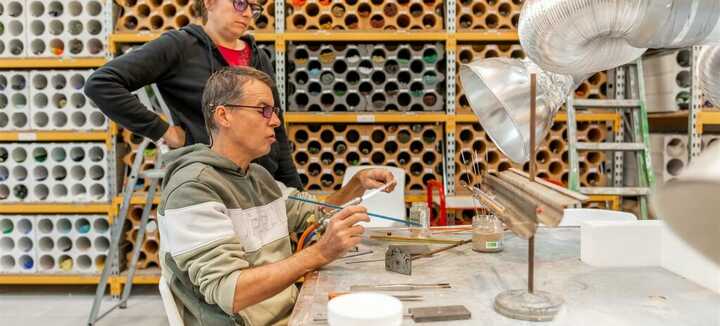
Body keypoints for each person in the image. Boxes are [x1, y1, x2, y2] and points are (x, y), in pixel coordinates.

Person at [157, 67, 396, 326]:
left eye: (274, 112)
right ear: (224, 115)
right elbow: (231, 292)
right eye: (263, 110)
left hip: (292, 313)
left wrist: (356, 184)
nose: (275, 122)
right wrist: (320, 253)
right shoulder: (193, 190)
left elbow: (315, 212)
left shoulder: (257, 177)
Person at [84, 0, 302, 188]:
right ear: (208, 2)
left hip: (261, 181)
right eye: (240, 3)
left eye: (254, 8)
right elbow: (101, 84)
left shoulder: (259, 57)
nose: (246, 13)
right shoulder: (180, 46)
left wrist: (295, 192)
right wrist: (164, 131)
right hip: (209, 182)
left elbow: (277, 127)